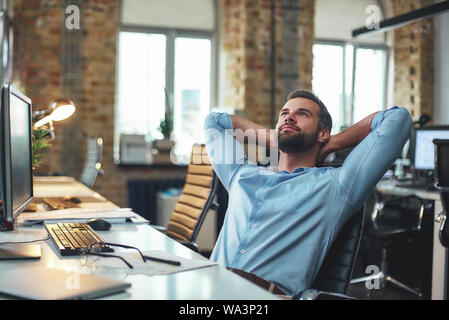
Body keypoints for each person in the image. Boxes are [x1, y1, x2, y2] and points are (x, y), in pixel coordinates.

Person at [204, 90, 412, 297]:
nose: (289, 117)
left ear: (322, 133)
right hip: (208, 287)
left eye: (303, 114)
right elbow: (215, 121)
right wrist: (277, 138)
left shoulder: (337, 186)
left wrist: (332, 143)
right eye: (284, 114)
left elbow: (398, 119)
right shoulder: (241, 175)